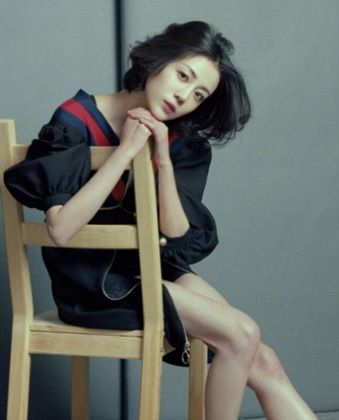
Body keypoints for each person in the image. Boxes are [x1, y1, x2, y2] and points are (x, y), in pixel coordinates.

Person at [4, 21, 317, 420]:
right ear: (158, 60)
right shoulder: (76, 118)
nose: (184, 96)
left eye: (198, 94)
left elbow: (176, 236)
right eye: (183, 76)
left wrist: (163, 161)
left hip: (149, 270)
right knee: (243, 334)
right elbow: (61, 228)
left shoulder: (177, 140)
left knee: (261, 357)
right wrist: (124, 152)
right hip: (94, 285)